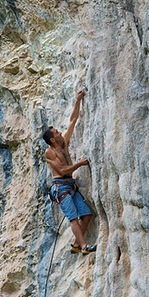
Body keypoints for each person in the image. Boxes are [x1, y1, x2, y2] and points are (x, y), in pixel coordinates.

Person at [42, 89, 96, 255]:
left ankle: (76, 244)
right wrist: (80, 164)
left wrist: (78, 100)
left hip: (70, 186)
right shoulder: (49, 153)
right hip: (61, 189)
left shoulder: (63, 142)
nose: (60, 132)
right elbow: (63, 169)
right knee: (73, 218)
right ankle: (85, 246)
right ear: (52, 139)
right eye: (57, 132)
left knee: (86, 215)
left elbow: (73, 120)